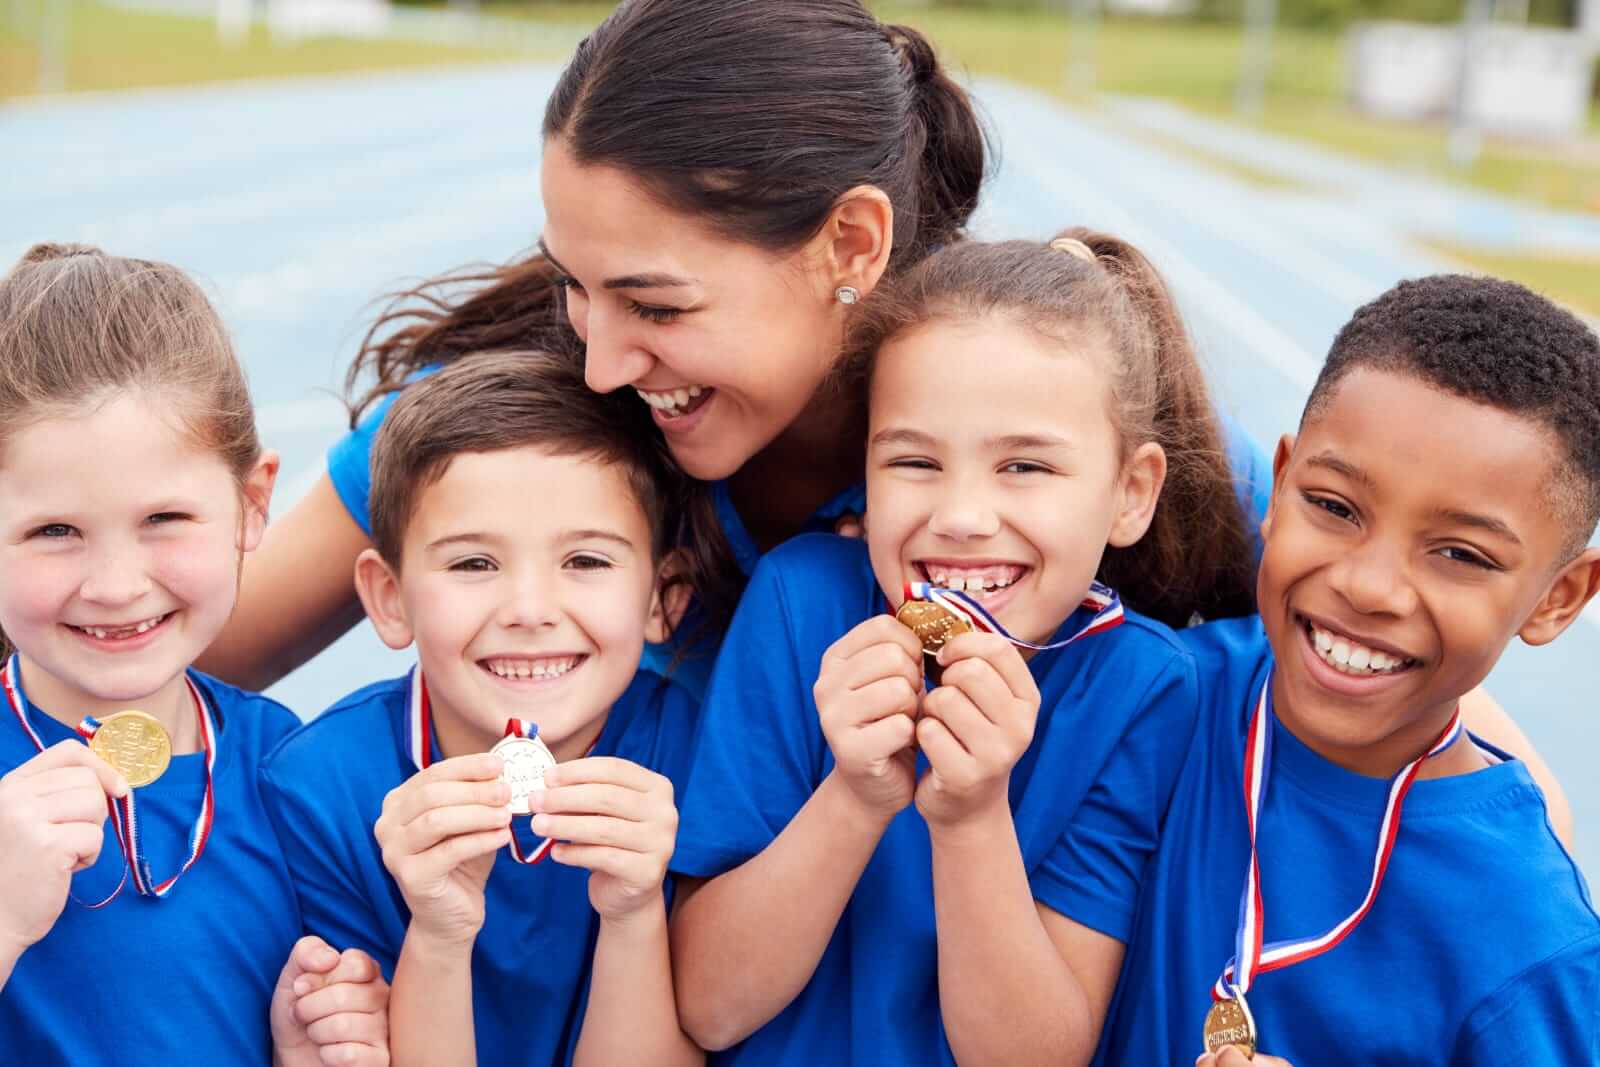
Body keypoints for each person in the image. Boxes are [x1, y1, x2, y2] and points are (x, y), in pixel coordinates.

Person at [196, 1, 1570, 832]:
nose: (603, 361)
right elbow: (169, 653)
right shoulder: (518, 443)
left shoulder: (1035, 417)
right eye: (574, 288)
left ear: (850, 243)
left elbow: (1470, 747)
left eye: (654, 302)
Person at [668, 231, 1251, 1063]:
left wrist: (973, 817)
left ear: (1130, 493)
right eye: (914, 460)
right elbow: (709, 1005)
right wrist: (854, 796)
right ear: (863, 475)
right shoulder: (803, 605)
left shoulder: (1142, 686)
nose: (963, 516)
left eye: (1025, 467)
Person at [1094, 275, 1600, 1065]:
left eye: (1460, 554)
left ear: (1557, 599)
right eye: (1335, 505)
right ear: (1283, 482)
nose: (1368, 585)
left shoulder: (1531, 940)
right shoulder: (1152, 698)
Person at [0, 244, 390, 1065]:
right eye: (55, 531)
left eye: (164, 519)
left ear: (253, 504)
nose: (114, 584)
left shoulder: (298, 769)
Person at [259, 349, 703, 1067]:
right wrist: (438, 932)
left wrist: (632, 915)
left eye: (586, 561)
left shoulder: (692, 751)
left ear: (661, 597)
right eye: (473, 564)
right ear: (390, 597)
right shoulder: (316, 789)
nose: (529, 611)